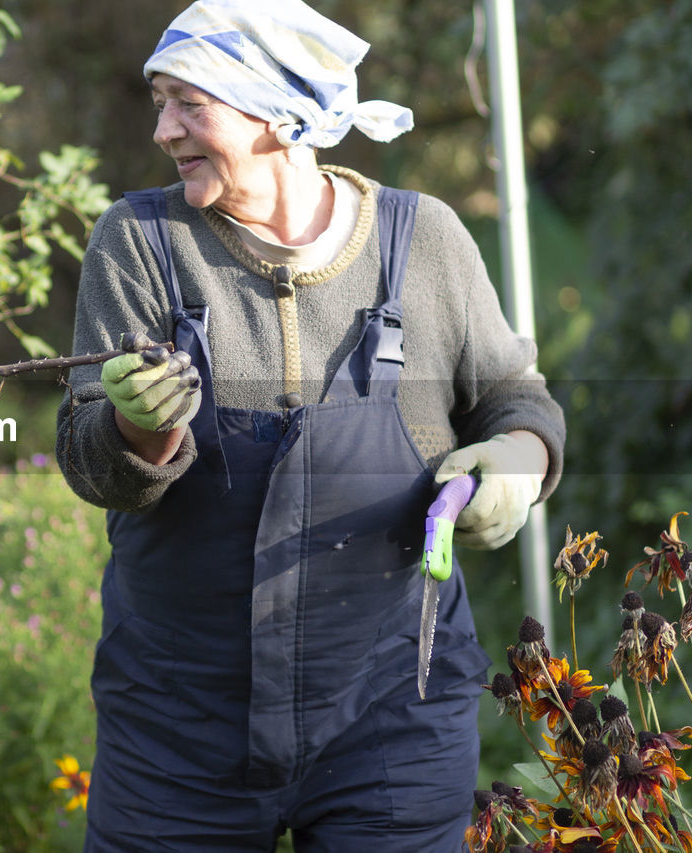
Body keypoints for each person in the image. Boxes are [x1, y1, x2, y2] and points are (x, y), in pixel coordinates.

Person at [54, 1, 566, 850]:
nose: (163, 129)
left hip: (392, 718)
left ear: (278, 112)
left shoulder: (424, 241)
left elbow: (516, 396)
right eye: (159, 102)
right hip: (180, 732)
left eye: (190, 102)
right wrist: (134, 432)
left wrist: (514, 460)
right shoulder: (142, 244)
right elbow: (84, 456)